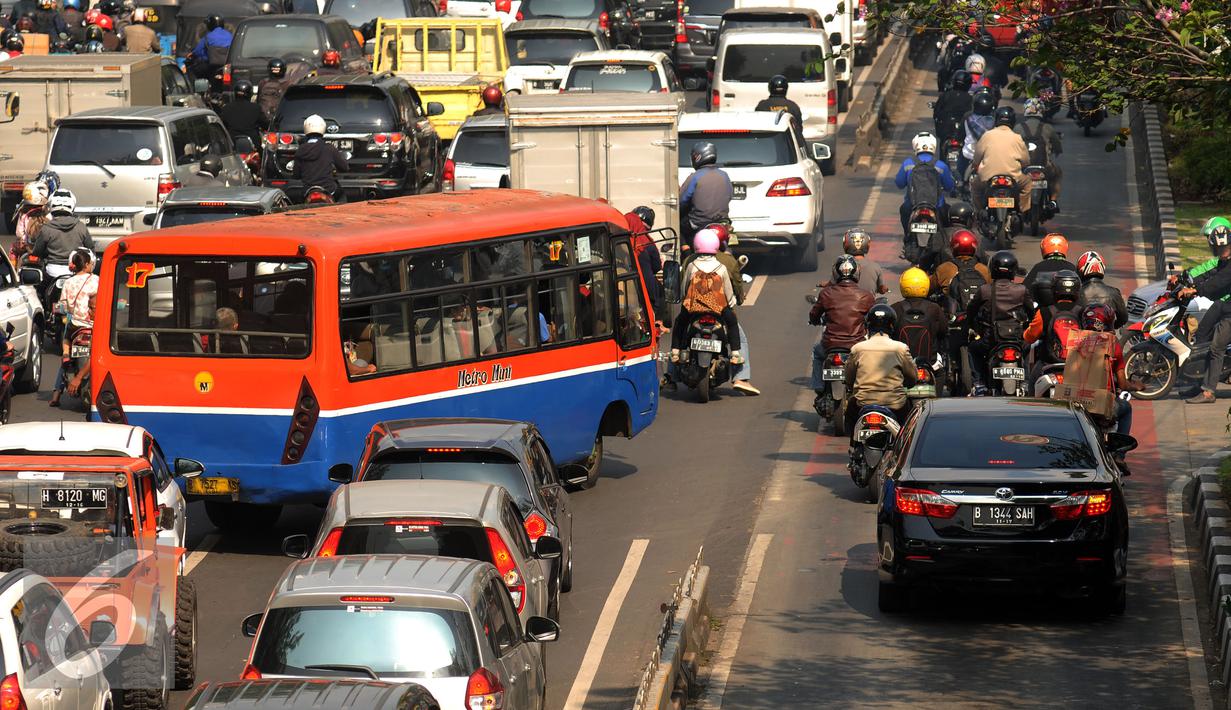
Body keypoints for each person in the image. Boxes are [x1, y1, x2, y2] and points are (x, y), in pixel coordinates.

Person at [809, 255, 876, 411]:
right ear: (856, 273)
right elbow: (872, 318)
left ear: (836, 273)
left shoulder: (826, 294)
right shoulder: (866, 296)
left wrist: (814, 320)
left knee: (817, 353)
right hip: (857, 344)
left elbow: (814, 315)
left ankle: (819, 388)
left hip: (830, 345)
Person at [842, 304, 918, 440]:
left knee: (849, 419)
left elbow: (849, 378)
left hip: (863, 403)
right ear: (892, 326)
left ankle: (854, 447)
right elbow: (912, 377)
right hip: (896, 404)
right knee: (908, 432)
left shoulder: (858, 348)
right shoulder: (900, 348)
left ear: (868, 326)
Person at [964, 250, 1034, 394]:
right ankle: (1026, 382)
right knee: (1027, 348)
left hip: (990, 340)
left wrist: (972, 326)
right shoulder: (1021, 290)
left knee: (972, 349)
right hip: (1016, 340)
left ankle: (978, 383)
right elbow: (1031, 313)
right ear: (1013, 270)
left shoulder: (984, 290)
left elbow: (971, 310)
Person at [670, 228, 742, 364]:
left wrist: (685, 298)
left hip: (694, 307)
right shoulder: (721, 267)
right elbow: (728, 291)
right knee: (732, 323)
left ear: (696, 244)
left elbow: (685, 287)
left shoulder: (691, 265)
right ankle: (735, 354)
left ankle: (675, 351)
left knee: (680, 322)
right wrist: (731, 301)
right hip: (717, 308)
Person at [1179, 218, 1231, 403]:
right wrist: (1187, 281)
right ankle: (1198, 381)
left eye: (1210, 237)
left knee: (1217, 346)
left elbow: (1221, 282)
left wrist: (1196, 290)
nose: (1208, 242)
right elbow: (1211, 274)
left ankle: (1208, 392)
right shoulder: (1225, 259)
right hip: (1224, 305)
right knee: (1202, 333)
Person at [1078, 302, 1138, 436]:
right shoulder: (1112, 343)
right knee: (1126, 408)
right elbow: (1123, 384)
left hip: (1077, 400)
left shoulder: (1077, 340)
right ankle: (1120, 454)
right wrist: (1137, 386)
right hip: (1101, 404)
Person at [894, 131, 955, 262]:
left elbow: (899, 183)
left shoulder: (908, 163)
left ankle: (908, 240)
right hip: (937, 206)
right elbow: (950, 186)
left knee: (904, 211)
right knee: (947, 220)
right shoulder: (941, 165)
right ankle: (945, 246)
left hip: (912, 206)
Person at [49, 247, 97, 408]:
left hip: (74, 326)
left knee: (66, 346)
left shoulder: (68, 282)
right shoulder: (97, 280)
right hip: (93, 326)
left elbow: (62, 306)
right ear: (88, 264)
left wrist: (59, 310)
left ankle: (56, 394)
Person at [970, 105, 1032, 215]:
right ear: (1013, 121)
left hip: (987, 178)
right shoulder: (1017, 138)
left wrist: (976, 166)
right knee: (1027, 183)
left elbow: (977, 157)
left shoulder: (987, 135)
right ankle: (1023, 211)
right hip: (1013, 178)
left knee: (975, 186)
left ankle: (979, 212)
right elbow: (1026, 161)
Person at [1023, 269, 1082, 381]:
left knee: (1031, 384)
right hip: (1076, 366)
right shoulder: (1082, 312)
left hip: (1048, 363)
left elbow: (1029, 337)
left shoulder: (1045, 312)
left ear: (1054, 290)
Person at [31, 189, 93, 292]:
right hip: (76, 272)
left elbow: (37, 252)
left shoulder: (46, 228)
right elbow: (90, 250)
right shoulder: (81, 227)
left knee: (38, 292)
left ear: (51, 206)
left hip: (51, 272)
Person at [890, 267, 946, 365]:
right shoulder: (934, 308)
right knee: (941, 373)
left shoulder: (895, 308)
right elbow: (943, 331)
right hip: (929, 362)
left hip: (900, 362)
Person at [1015, 97, 1063, 211]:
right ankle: (1053, 200)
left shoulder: (1018, 128)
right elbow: (1057, 146)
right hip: (1044, 167)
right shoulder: (1047, 128)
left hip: (1023, 167)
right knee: (1057, 174)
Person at [679, 141, 732, 243]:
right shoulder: (724, 175)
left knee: (679, 226)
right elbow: (729, 196)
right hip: (722, 222)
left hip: (698, 224)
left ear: (697, 157)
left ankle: (686, 251)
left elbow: (682, 201)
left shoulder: (694, 177)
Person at [293, 114, 349, 202]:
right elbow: (344, 167)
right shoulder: (329, 148)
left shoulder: (300, 150)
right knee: (342, 195)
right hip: (329, 190)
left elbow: (296, 175)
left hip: (308, 191)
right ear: (323, 128)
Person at [1074, 250, 1128, 328]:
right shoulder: (1114, 292)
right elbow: (1123, 318)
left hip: (1082, 337)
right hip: (1106, 336)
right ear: (1102, 268)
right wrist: (1112, 327)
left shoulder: (1076, 293)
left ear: (1080, 270)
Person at [1022, 233, 1076, 306]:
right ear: (1065, 247)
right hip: (1070, 310)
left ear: (1043, 247)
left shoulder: (1039, 267)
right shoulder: (1071, 267)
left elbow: (1025, 290)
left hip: (1044, 311)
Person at [755, 74, 805, 146]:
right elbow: (798, 130)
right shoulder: (793, 106)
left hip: (765, 144)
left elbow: (757, 128)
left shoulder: (762, 106)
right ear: (786, 88)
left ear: (770, 88)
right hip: (789, 146)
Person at [958, 89, 996, 181]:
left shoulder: (968, 117)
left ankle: (960, 183)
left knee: (959, 171)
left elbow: (960, 134)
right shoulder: (995, 120)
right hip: (989, 156)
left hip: (969, 154)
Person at [840, 227, 887, 298]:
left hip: (846, 304)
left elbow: (832, 284)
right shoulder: (875, 266)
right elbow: (882, 289)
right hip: (868, 304)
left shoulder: (840, 265)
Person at [933, 70, 973, 145]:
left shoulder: (945, 95)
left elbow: (936, 113)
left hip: (946, 131)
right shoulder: (970, 99)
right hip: (961, 132)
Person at [220, 80, 265, 147]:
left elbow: (222, 126)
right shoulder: (256, 108)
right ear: (250, 94)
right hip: (253, 144)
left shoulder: (226, 108)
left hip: (232, 145)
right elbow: (265, 124)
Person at [188, 14, 231, 82]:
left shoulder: (208, 36)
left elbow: (197, 51)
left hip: (211, 67)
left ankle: (196, 90)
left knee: (192, 70)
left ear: (210, 24)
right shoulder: (229, 35)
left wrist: (193, 53)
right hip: (227, 67)